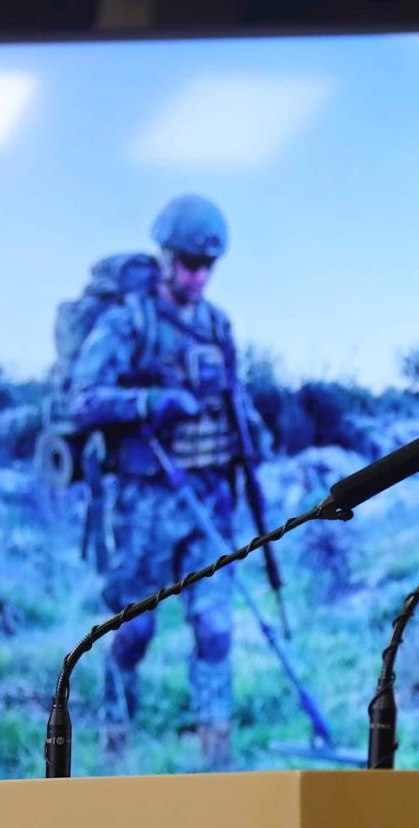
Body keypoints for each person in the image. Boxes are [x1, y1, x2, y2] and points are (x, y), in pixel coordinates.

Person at [68, 194, 268, 769]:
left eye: (208, 266)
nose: (198, 276)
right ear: (165, 257)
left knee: (215, 628)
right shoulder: (129, 322)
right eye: (189, 263)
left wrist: (252, 437)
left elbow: (234, 397)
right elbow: (85, 400)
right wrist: (153, 401)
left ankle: (217, 758)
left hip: (210, 499)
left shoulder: (217, 325)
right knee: (133, 631)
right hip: (147, 501)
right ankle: (115, 745)